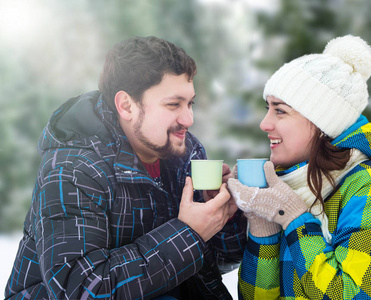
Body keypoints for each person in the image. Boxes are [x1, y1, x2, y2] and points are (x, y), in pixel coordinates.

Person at [5, 36, 247, 300]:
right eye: (173, 104)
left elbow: (213, 263)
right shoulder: (72, 170)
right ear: (126, 106)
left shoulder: (186, 153)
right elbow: (84, 291)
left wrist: (223, 217)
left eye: (190, 103)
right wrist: (190, 232)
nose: (188, 119)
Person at [227, 35, 371, 299]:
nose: (265, 123)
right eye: (267, 108)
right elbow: (256, 297)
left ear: (321, 122)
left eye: (280, 111)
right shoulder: (287, 182)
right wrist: (262, 224)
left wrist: (293, 217)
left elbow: (354, 295)